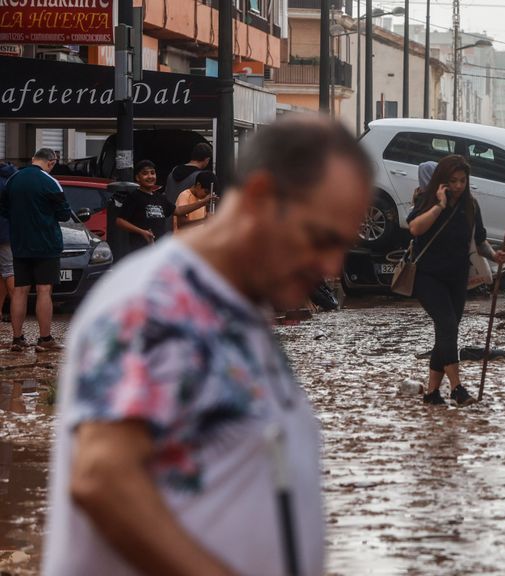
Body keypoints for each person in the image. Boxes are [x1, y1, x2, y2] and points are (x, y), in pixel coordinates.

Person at [43, 115, 372, 576]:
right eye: (321, 238)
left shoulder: (237, 311)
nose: (332, 265)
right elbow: (102, 479)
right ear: (259, 199)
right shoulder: (157, 303)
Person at [407, 155, 505, 406]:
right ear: (442, 181)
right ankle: (457, 388)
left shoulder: (471, 205)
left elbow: (480, 239)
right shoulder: (426, 200)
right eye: (453, 181)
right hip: (427, 276)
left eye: (463, 180)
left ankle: (431, 393)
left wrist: (495, 255)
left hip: (457, 277)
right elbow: (415, 229)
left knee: (446, 333)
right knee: (448, 326)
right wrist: (439, 205)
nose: (458, 186)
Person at [0, 148, 70, 353]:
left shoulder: (13, 180)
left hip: (20, 244)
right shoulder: (50, 181)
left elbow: (3, 209)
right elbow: (64, 213)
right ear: (51, 162)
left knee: (20, 291)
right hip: (46, 244)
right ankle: (45, 338)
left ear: (33, 159)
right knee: (44, 290)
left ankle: (17, 339)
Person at [117, 160, 212, 253]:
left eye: (152, 173)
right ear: (138, 177)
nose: (150, 176)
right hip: (141, 251)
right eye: (145, 173)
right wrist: (142, 231)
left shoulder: (160, 198)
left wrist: (203, 202)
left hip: (158, 249)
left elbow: (178, 210)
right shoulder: (134, 196)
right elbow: (120, 221)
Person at [0, 162, 18, 323]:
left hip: (4, 231)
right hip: (8, 232)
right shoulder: (12, 178)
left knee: (8, 272)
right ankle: (15, 309)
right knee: (6, 272)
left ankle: (16, 308)